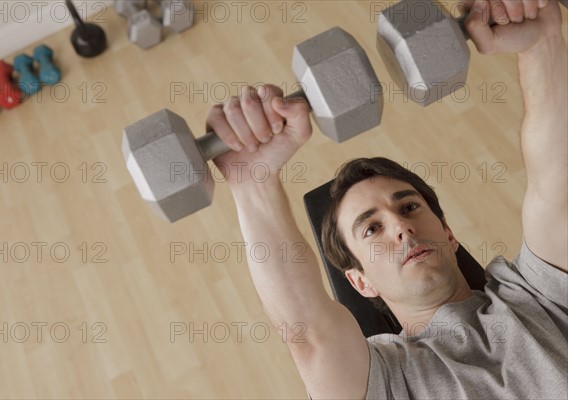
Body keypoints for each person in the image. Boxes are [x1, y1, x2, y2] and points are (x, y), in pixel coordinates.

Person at [206, 0, 567, 398]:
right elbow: (309, 336)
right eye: (372, 228)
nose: (400, 226)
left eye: (409, 206)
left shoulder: (537, 296)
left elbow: (557, 189)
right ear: (360, 282)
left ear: (448, 233)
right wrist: (252, 180)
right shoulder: (387, 381)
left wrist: (542, 44)